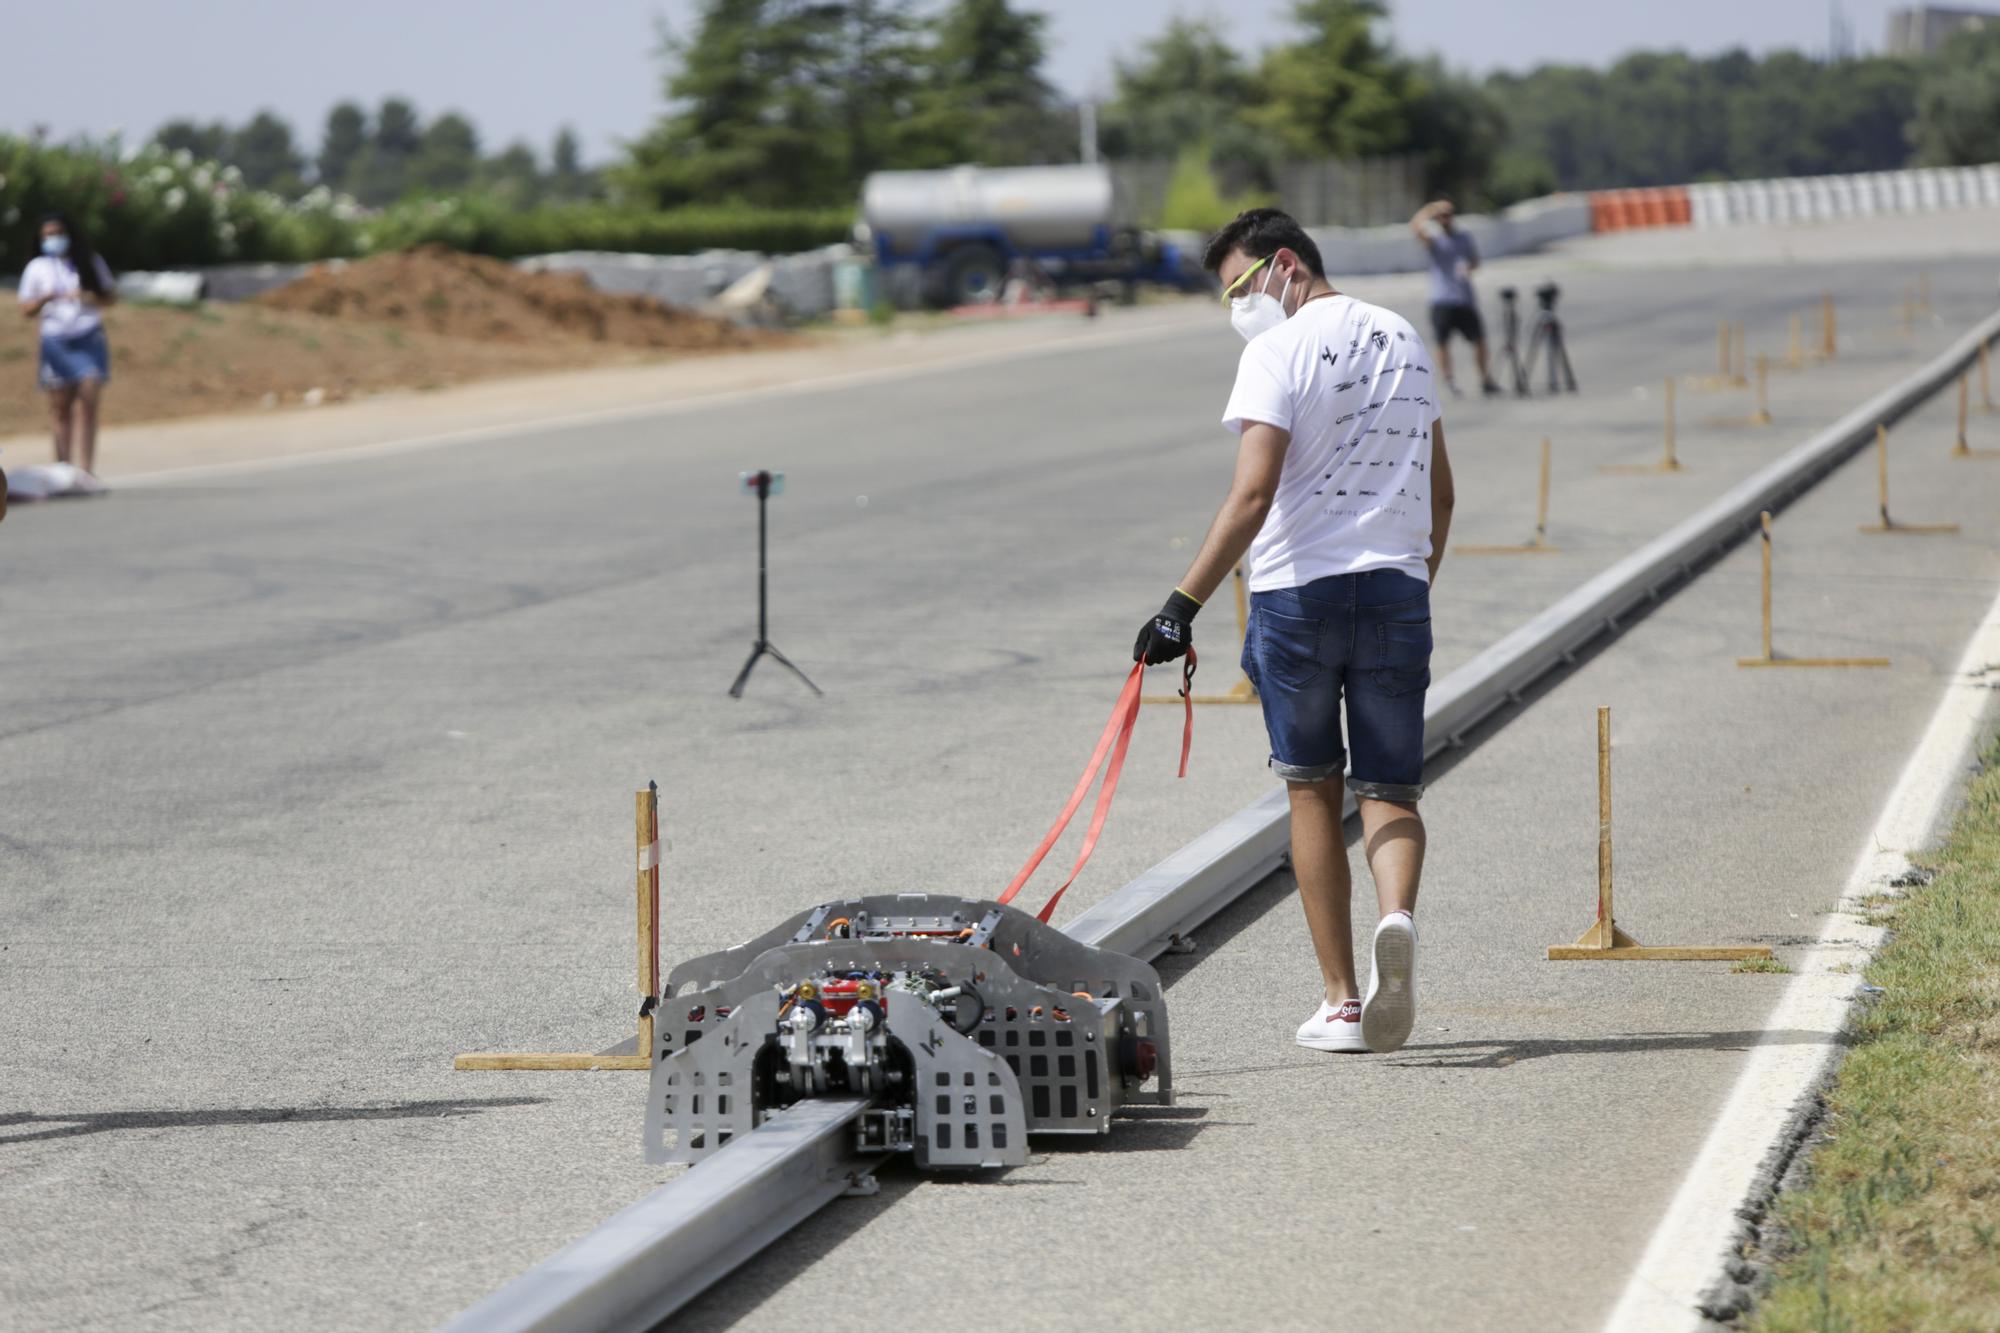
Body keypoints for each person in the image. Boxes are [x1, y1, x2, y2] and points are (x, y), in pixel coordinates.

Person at [1133, 207, 1454, 1054]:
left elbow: (1252, 494)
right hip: (1394, 587)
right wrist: (1413, 584)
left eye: (1240, 286)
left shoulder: (1274, 350)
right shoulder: (1404, 338)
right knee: (1390, 789)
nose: (1238, 306)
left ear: (1285, 265)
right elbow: (1442, 491)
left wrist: (1180, 605)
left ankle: (1344, 1002)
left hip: (1297, 597)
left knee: (1311, 786)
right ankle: (1399, 921)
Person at [17, 213, 116, 481]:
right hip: (55, 339)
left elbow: (110, 296)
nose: (53, 239)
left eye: (58, 233)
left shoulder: (88, 262)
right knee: (60, 406)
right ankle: (62, 468)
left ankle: (85, 471)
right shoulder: (37, 267)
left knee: (88, 400)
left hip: (88, 335)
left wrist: (87, 296)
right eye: (47, 235)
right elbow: (25, 308)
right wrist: (44, 299)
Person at [1410, 198, 1499, 397]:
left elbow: (1475, 261)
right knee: (1443, 342)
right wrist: (1430, 209)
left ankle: (1485, 377)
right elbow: (1415, 227)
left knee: (1479, 339)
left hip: (1464, 297)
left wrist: (1469, 268)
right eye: (1441, 215)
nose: (1445, 218)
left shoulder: (1464, 237)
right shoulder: (1435, 239)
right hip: (1442, 298)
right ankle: (1449, 379)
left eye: (1448, 214)